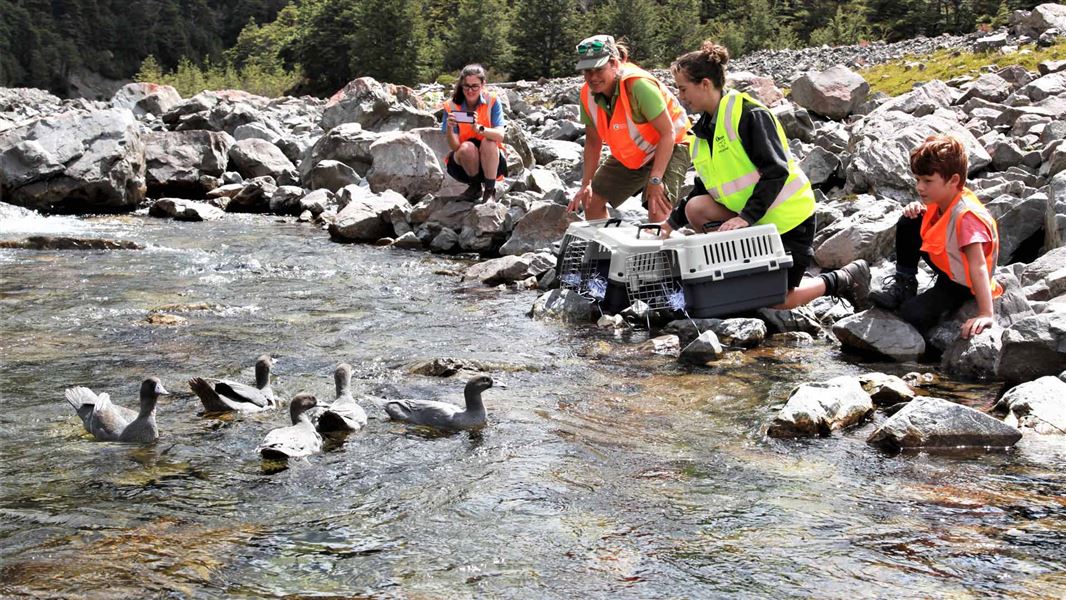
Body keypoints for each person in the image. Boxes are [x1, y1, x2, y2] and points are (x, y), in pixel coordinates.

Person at [665, 40, 870, 310]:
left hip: (790, 222)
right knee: (696, 208)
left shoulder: (750, 114)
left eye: (683, 88)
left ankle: (842, 279)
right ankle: (735, 270)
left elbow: (776, 171)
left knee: (772, 300)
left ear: (704, 84)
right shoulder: (703, 130)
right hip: (756, 222)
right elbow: (705, 186)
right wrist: (669, 224)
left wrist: (744, 218)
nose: (680, 96)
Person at [869, 135, 1002, 339]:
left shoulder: (967, 217)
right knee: (909, 221)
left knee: (911, 314)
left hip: (963, 284)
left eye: (927, 181)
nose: (920, 187)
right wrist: (917, 210)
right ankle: (905, 284)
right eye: (918, 180)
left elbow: (978, 265)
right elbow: (937, 227)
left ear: (954, 180)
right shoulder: (941, 199)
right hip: (948, 266)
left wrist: (985, 313)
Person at [567, 34, 692, 223]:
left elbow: (668, 133)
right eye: (587, 71)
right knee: (591, 200)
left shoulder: (639, 86)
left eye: (599, 69)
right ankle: (606, 250)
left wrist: (656, 180)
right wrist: (586, 184)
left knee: (657, 205)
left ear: (614, 64)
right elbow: (593, 142)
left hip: (672, 145)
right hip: (636, 154)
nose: (592, 77)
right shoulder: (588, 94)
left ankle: (660, 248)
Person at [441, 64, 507, 203]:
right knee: (467, 148)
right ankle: (475, 187)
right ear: (461, 85)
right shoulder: (451, 106)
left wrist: (479, 129)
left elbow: (500, 135)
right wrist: (449, 128)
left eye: (475, 86)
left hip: (492, 161)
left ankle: (489, 192)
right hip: (464, 165)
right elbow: (455, 147)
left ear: (483, 84)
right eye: (466, 86)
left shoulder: (492, 101)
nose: (470, 90)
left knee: (488, 141)